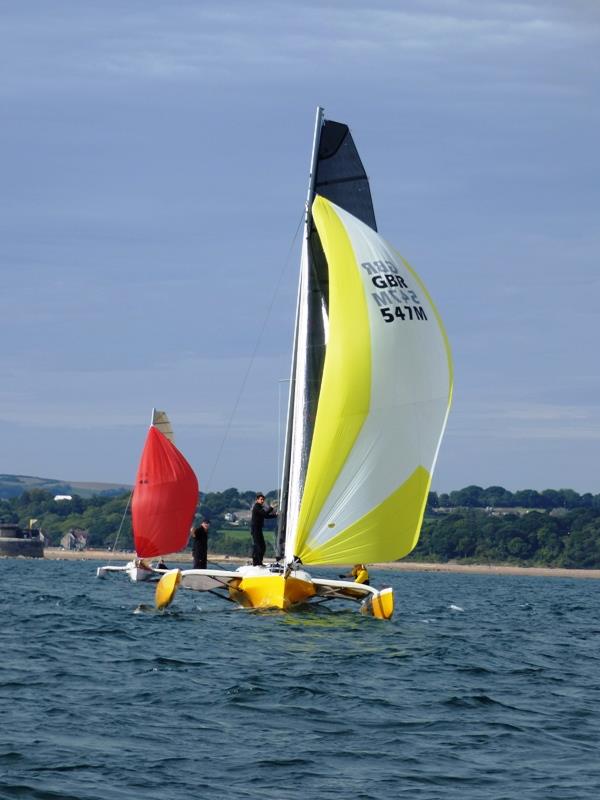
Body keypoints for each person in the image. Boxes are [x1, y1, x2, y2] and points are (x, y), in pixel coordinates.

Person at [250, 493, 277, 566]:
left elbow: (266, 516)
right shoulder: (256, 507)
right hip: (255, 529)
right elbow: (265, 514)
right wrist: (271, 507)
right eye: (261, 499)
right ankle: (256, 563)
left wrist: (275, 515)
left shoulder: (260, 507)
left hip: (258, 529)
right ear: (257, 500)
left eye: (263, 500)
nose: (262, 501)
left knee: (262, 546)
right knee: (259, 546)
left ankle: (259, 562)